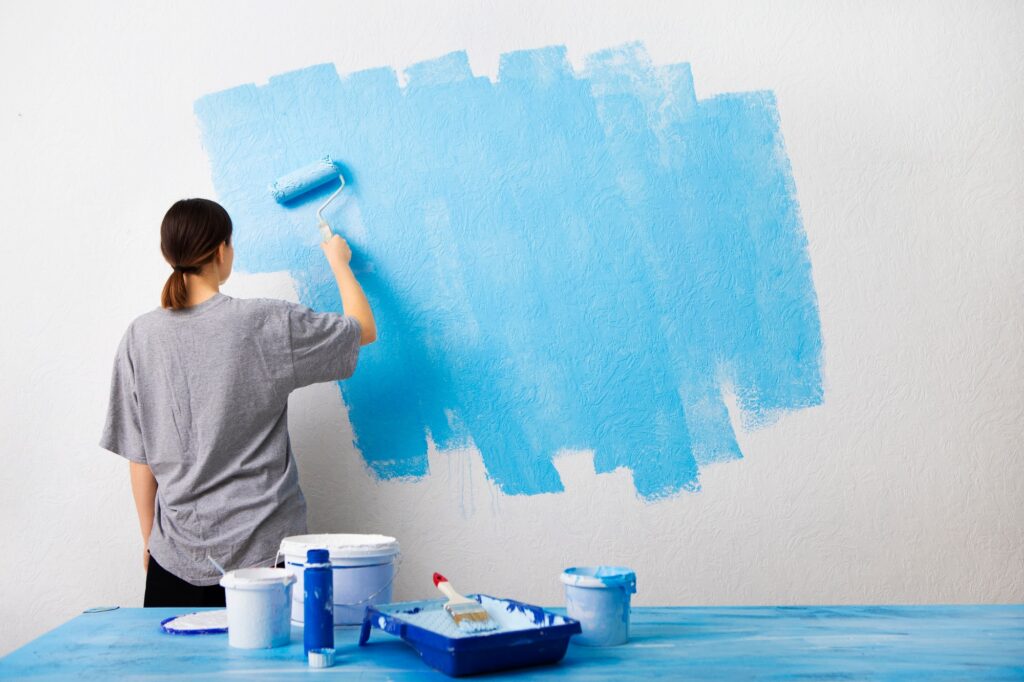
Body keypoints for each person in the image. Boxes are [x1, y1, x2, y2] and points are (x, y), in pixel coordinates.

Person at [99, 198, 376, 607]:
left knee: (179, 673)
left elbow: (139, 456)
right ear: (221, 251)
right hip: (266, 560)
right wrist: (338, 260)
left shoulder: (140, 337)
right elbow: (363, 330)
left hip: (173, 558)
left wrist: (149, 541)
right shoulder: (265, 323)